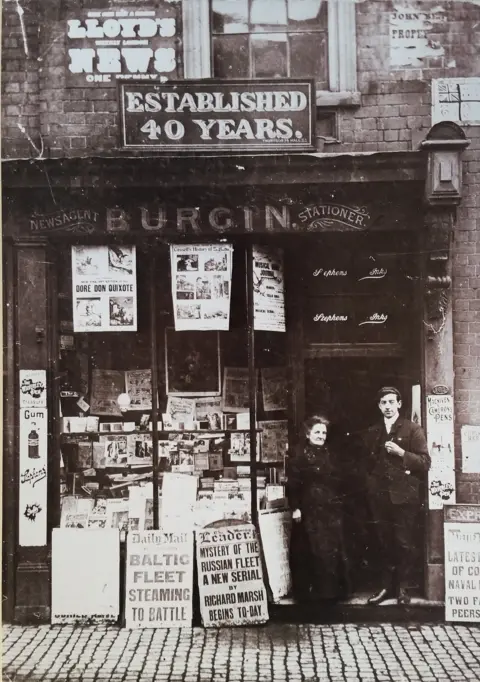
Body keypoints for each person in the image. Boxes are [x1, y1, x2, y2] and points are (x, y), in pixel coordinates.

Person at [363, 386, 431, 605]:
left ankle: (403, 588)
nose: (388, 407)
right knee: (383, 542)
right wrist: (371, 484)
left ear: (400, 404)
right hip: (380, 497)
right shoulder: (373, 431)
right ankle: (385, 587)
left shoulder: (412, 430)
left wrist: (401, 453)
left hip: (404, 497)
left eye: (392, 402)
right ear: (379, 406)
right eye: (384, 403)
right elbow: (364, 463)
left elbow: (424, 462)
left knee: (403, 543)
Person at [287, 415, 350, 604]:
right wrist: (295, 507)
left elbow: (339, 479)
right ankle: (310, 596)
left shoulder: (330, 454)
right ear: (308, 434)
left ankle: (330, 594)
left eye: (323, 432)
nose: (321, 435)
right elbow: (293, 484)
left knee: (330, 551)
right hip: (309, 508)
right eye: (317, 432)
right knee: (310, 550)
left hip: (329, 508)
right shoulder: (298, 456)